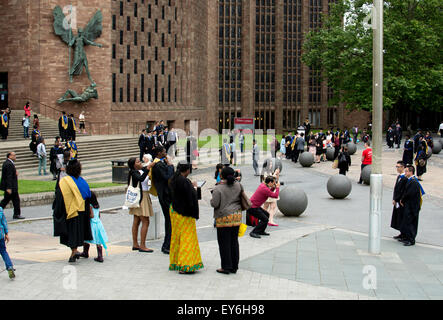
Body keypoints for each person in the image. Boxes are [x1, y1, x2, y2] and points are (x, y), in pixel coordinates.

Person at [52, 159, 93, 262]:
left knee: (71, 232)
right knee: (79, 231)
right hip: (81, 210)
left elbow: (59, 196)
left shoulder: (64, 181)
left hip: (69, 210)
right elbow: (88, 195)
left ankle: (74, 251)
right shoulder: (82, 181)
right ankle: (75, 252)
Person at [169, 161, 203, 274]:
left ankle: (176, 262)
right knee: (187, 237)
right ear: (187, 170)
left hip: (174, 210)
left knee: (176, 236)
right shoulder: (185, 182)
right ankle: (185, 264)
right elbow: (191, 199)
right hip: (184, 213)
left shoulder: (174, 178)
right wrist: (195, 188)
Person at [210, 166, 243, 274]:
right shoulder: (238, 185)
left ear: (221, 176)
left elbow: (214, 203)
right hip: (236, 216)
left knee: (224, 243)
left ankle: (226, 266)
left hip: (223, 218)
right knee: (234, 242)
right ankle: (234, 266)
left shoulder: (218, 188)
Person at [127, 157, 156, 252]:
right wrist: (148, 168)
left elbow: (144, 171)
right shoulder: (134, 173)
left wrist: (149, 165)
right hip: (141, 197)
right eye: (138, 162)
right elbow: (141, 178)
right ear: (134, 165)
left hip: (142, 196)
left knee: (137, 220)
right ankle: (142, 245)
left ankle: (135, 244)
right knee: (145, 221)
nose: (140, 163)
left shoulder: (139, 170)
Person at [151, 146, 174, 254]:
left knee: (170, 220)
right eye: (164, 151)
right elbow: (167, 177)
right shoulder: (158, 165)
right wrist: (170, 165)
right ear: (159, 153)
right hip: (165, 195)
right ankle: (166, 245)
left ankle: (168, 243)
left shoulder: (160, 163)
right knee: (169, 220)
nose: (166, 152)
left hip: (165, 195)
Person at [399, 165, 425, 246]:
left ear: (411, 172)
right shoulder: (410, 180)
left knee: (411, 223)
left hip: (412, 206)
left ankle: (411, 239)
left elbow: (409, 194)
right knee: (407, 221)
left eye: (406, 171)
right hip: (409, 205)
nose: (405, 173)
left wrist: (402, 200)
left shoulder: (413, 181)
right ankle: (407, 237)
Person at [80, 191, 108, 263]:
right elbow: (98, 215)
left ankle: (85, 252)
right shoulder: (97, 205)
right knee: (98, 240)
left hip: (92, 224)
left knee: (86, 237)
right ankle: (100, 256)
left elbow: (91, 215)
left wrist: (86, 215)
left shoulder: (90, 205)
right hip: (98, 224)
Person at [0, 152, 24, 219]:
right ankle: (16, 214)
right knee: (9, 200)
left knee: (9, 200)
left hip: (11, 186)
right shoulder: (9, 164)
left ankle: (16, 214)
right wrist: (9, 187)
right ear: (9, 156)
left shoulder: (8, 163)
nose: (15, 156)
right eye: (14, 155)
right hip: (11, 187)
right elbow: (8, 176)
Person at [391, 161, 408, 241]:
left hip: (401, 201)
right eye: (396, 166)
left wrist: (397, 199)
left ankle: (404, 234)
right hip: (397, 200)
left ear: (403, 167)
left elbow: (402, 191)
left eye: (398, 167)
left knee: (402, 217)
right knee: (398, 217)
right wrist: (394, 198)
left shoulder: (405, 178)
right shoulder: (399, 177)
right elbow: (396, 188)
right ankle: (401, 233)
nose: (397, 168)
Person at [261, 161, 280, 227]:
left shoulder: (271, 172)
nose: (271, 165)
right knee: (265, 206)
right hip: (267, 191)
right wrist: (275, 173)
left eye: (272, 164)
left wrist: (277, 174)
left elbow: (275, 180)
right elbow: (268, 180)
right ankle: (263, 219)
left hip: (272, 190)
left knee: (273, 206)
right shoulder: (265, 172)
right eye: (270, 164)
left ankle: (270, 220)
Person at [0, 207, 15, 279]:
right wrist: (6, 233)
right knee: (3, 251)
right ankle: (9, 266)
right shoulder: (0, 209)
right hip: (0, 234)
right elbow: (4, 222)